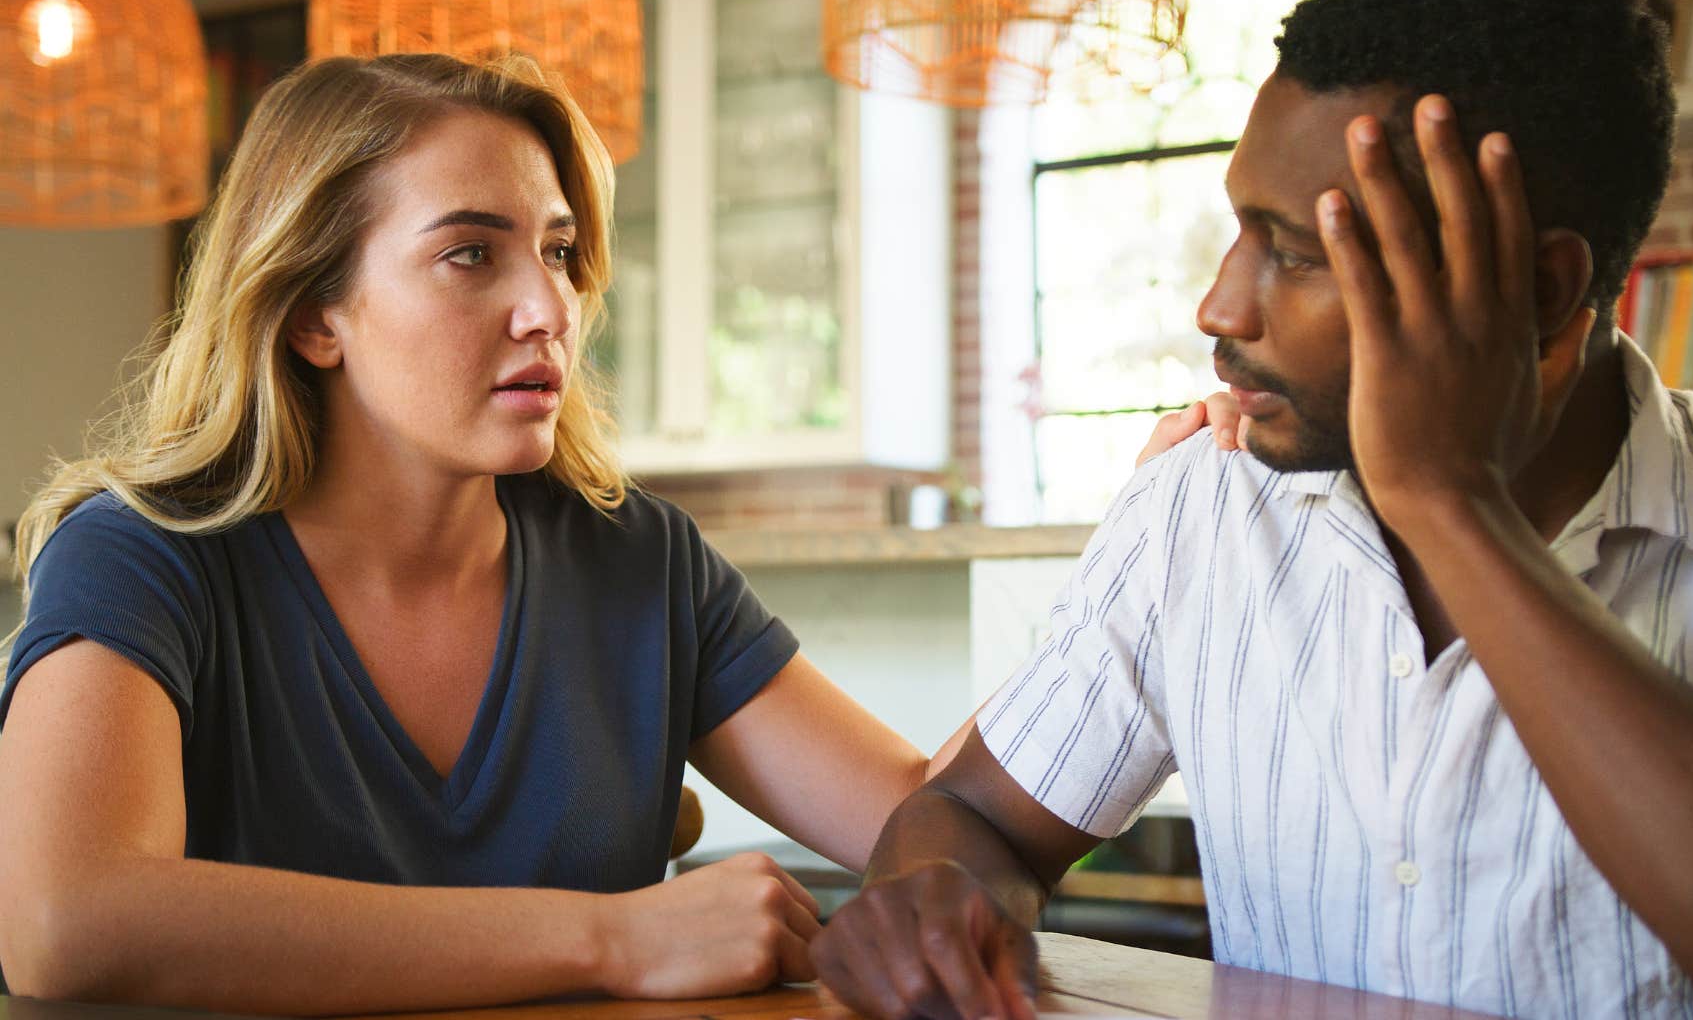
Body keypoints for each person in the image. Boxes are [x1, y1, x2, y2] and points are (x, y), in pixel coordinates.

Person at [810, 0, 1693, 1018]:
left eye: (1296, 253)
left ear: (1541, 289)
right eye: (1241, 229)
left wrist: (1451, 503)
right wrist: (931, 902)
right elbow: (971, 813)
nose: (1221, 308)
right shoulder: (1204, 506)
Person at [0, 52, 1232, 1014]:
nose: (547, 307)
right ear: (317, 313)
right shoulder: (146, 554)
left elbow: (921, 813)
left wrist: (1124, 566)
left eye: (559, 251)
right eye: (469, 255)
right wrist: (614, 934)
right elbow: (65, 921)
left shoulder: (636, 562)